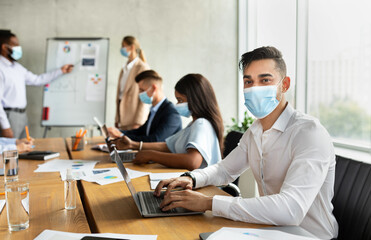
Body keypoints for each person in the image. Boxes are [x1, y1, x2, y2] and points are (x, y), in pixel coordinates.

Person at [154, 47, 338, 239]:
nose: (255, 88)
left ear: (284, 85)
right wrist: (191, 178)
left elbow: (291, 209)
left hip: (309, 236)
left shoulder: (309, 133)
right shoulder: (255, 130)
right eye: (248, 81)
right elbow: (224, 170)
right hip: (270, 230)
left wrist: (208, 203)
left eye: (265, 80)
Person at [112, 74, 224, 171]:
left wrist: (152, 155)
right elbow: (168, 146)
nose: (177, 104)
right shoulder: (193, 125)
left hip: (204, 189)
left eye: (180, 100)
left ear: (195, 99)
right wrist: (133, 145)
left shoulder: (201, 124)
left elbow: (192, 161)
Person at [0, 30, 73, 139]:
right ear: (4, 47)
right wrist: (5, 126)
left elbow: (37, 80)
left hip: (22, 115)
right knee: (10, 152)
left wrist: (61, 71)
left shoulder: (16, 67)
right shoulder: (1, 68)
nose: (18, 48)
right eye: (15, 45)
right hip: (8, 116)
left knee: (24, 149)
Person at [108, 70, 182, 142]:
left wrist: (121, 136)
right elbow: (141, 131)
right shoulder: (154, 110)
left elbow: (155, 140)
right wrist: (119, 132)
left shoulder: (171, 113)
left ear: (153, 88)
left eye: (142, 90)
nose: (139, 94)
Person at [115, 36, 149, 131]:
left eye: (123, 46)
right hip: (123, 117)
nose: (122, 49)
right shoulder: (124, 69)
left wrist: (138, 121)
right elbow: (120, 95)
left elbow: (145, 96)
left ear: (132, 47)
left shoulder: (142, 67)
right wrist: (117, 118)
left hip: (134, 119)